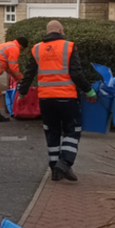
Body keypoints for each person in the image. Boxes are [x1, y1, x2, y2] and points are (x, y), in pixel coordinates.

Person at [17, 20, 96, 182]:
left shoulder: (37, 49)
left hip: (46, 99)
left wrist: (22, 92)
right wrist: (89, 90)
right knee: (72, 130)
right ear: (60, 30)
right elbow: (76, 73)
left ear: (48, 31)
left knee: (52, 132)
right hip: (67, 98)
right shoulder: (69, 46)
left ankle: (55, 170)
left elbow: (29, 73)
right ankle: (65, 162)